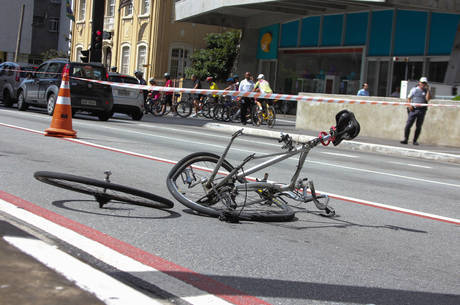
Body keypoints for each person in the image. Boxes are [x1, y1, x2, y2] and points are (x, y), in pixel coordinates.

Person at [400, 77, 431, 146]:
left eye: (424, 83)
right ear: (419, 83)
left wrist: (428, 90)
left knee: (418, 126)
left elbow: (427, 99)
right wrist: (409, 105)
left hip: (422, 110)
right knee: (408, 125)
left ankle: (415, 140)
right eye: (422, 83)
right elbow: (409, 98)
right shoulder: (414, 89)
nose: (423, 84)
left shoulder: (426, 91)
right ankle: (406, 139)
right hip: (413, 110)